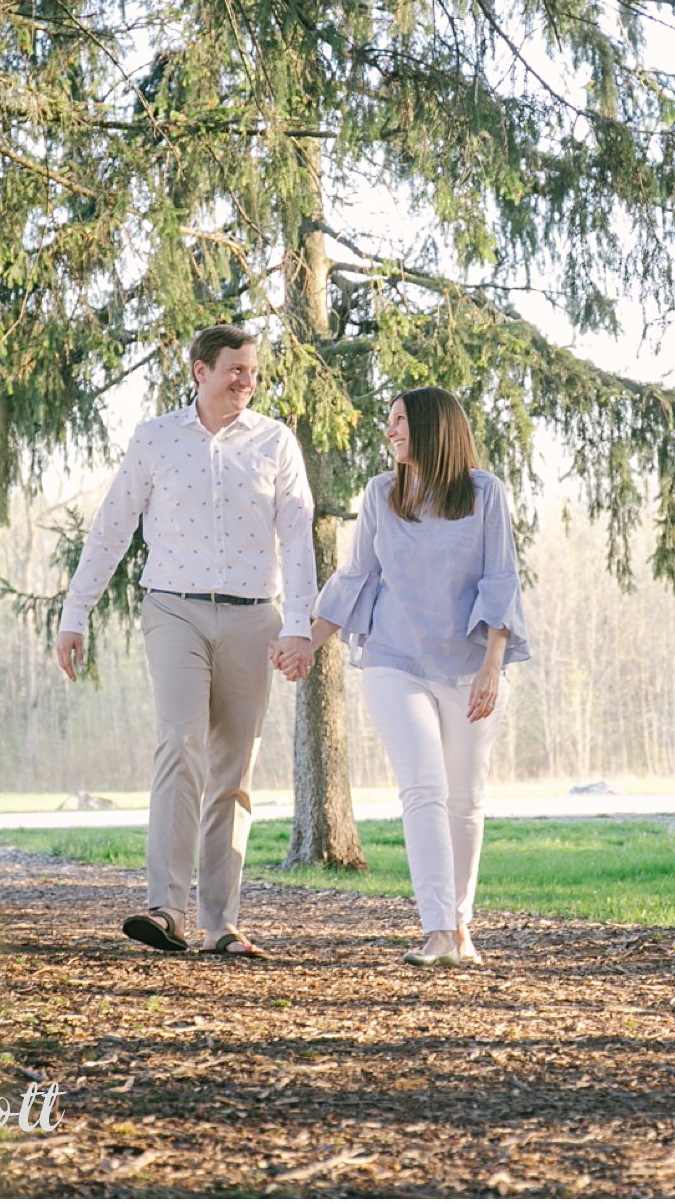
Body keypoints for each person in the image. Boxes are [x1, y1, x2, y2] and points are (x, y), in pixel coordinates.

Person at [55, 324, 317, 958]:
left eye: (253, 371)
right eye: (235, 370)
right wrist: (74, 613)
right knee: (181, 741)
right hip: (174, 610)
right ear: (200, 371)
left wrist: (300, 627)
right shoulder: (155, 440)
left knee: (235, 766)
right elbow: (112, 529)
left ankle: (221, 923)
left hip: (255, 617)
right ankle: (166, 909)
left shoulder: (275, 443)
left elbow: (299, 537)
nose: (247, 381)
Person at [293, 387, 529, 967]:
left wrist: (492, 668)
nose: (390, 432)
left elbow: (501, 581)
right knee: (423, 789)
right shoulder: (381, 493)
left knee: (465, 801)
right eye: (389, 421)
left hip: (473, 668)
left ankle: (460, 925)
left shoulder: (484, 494)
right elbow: (356, 577)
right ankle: (436, 931)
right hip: (395, 661)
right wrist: (308, 641)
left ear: (430, 429)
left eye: (399, 421)